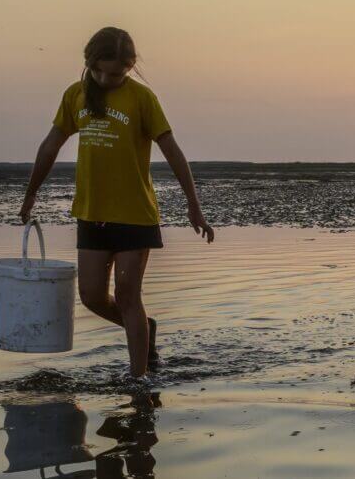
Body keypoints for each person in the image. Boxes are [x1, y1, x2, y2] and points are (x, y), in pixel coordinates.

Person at [18, 27, 214, 381]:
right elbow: (50, 146)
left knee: (127, 297)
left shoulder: (142, 99)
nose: (107, 79)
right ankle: (145, 328)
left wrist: (193, 205)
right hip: (92, 213)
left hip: (134, 216)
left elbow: (172, 151)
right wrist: (32, 192)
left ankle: (137, 379)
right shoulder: (74, 96)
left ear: (130, 67)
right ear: (89, 62)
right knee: (92, 296)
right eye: (100, 71)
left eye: (117, 73)